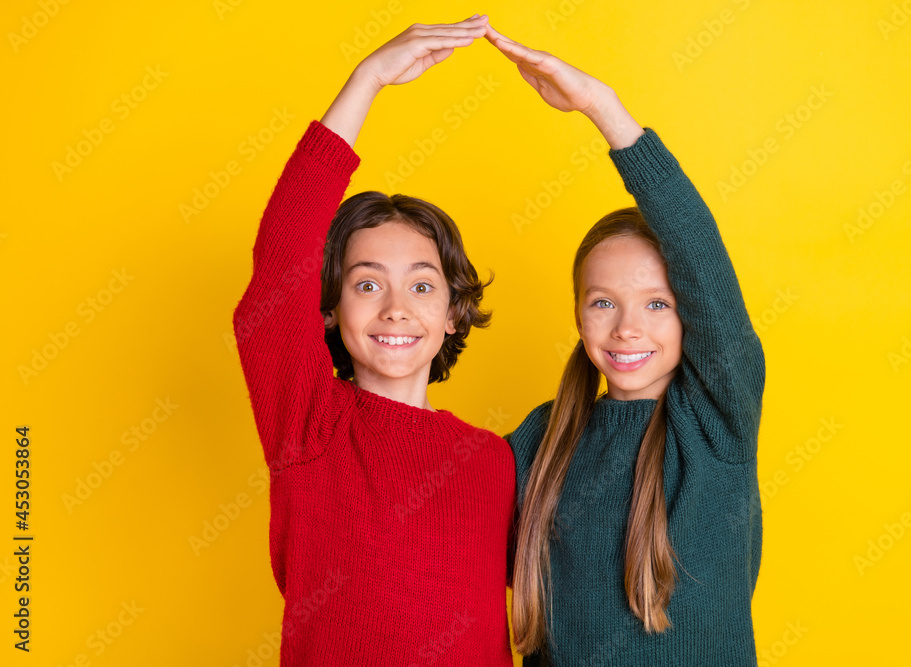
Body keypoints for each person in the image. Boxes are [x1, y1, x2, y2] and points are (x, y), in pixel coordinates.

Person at [232, 15, 515, 666]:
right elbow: (280, 262)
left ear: (453, 313)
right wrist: (368, 81)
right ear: (328, 308)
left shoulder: (493, 460)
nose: (395, 308)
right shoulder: (309, 421)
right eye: (366, 285)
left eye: (421, 287)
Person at [485, 23, 767, 665]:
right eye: (603, 303)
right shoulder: (543, 439)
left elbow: (700, 253)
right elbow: (440, 542)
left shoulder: (717, 421)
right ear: (579, 316)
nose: (627, 328)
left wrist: (603, 111)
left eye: (658, 304)